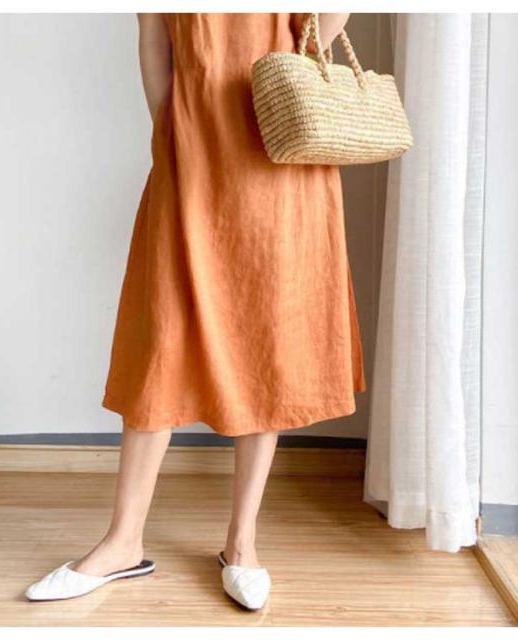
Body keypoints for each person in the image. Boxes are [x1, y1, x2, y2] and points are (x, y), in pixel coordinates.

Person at [25, 12, 365, 611]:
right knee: (161, 339)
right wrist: (169, 129)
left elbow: (319, 28)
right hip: (191, 149)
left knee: (267, 338)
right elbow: (153, 37)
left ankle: (242, 543)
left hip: (277, 146)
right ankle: (123, 541)